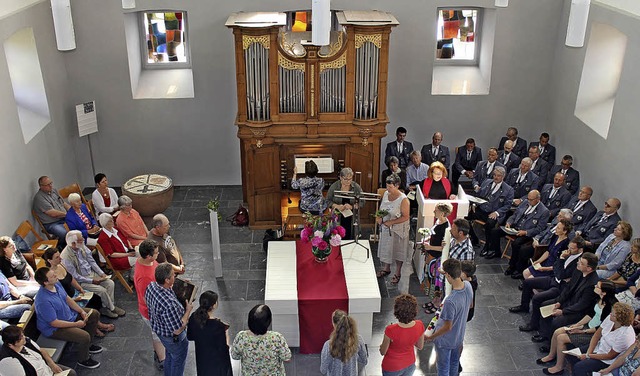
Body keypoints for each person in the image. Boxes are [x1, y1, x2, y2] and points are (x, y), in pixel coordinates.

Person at [537, 280, 618, 373]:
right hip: (587, 325)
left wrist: (582, 331)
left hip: (594, 333)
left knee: (561, 338)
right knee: (558, 331)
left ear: (604, 292)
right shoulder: (597, 298)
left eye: (598, 286)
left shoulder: (611, 307)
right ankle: (551, 355)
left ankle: (559, 367)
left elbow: (600, 328)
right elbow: (590, 314)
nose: (595, 286)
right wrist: (578, 324)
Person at [33, 267, 102, 369]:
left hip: (67, 316)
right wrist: (76, 324)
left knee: (93, 314)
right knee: (84, 336)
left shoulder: (56, 284)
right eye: (53, 276)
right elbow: (54, 323)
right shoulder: (43, 301)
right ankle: (83, 359)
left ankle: (88, 346)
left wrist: (81, 311)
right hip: (54, 329)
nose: (56, 276)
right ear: (45, 282)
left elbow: (67, 299)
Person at [525, 253, 600, 344]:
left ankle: (549, 343)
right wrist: (559, 301)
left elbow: (581, 305)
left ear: (589, 268)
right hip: (568, 302)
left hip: (578, 311)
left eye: (581, 263)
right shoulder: (578, 271)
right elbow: (568, 288)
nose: (578, 263)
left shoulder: (592, 284)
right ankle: (543, 333)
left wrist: (563, 311)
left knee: (557, 321)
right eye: (579, 260)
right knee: (544, 305)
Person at [42, 248, 114, 337]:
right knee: (86, 306)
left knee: (96, 299)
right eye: (57, 257)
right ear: (49, 260)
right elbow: (61, 296)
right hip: (68, 298)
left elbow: (71, 278)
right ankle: (95, 328)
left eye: (59, 256)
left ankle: (96, 323)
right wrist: (74, 299)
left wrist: (80, 288)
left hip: (74, 292)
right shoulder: (51, 277)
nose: (60, 258)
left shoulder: (61, 265)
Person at [510, 236, 584, 315]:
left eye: (572, 248)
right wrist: (560, 264)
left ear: (580, 249)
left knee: (536, 298)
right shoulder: (568, 253)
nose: (569, 250)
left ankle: (534, 324)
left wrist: (561, 259)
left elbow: (561, 275)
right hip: (553, 278)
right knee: (527, 282)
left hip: (561, 286)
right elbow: (556, 266)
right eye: (569, 247)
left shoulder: (580, 261)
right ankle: (524, 306)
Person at [60, 230, 125, 319]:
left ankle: (106, 307)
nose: (83, 240)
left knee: (110, 283)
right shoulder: (66, 257)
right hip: (82, 281)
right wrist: (92, 280)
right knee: (102, 290)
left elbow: (91, 261)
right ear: (73, 244)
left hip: (91, 273)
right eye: (80, 239)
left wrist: (101, 273)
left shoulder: (82, 246)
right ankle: (112, 308)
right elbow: (75, 277)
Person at [425, 259, 473, 376]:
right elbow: (470, 305)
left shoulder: (450, 301)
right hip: (459, 336)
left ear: (448, 275)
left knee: (442, 368)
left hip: (444, 341)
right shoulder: (468, 285)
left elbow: (447, 327)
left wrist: (432, 337)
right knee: (454, 363)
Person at [145, 262, 193, 376]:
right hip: (173, 338)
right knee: (178, 361)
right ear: (167, 280)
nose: (175, 277)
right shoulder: (170, 304)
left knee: (170, 356)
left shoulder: (151, 286)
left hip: (160, 330)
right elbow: (178, 329)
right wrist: (188, 311)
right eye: (173, 275)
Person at [569, 303, 636, 376]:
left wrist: (588, 356)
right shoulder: (610, 318)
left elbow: (610, 356)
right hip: (599, 347)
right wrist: (589, 352)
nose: (610, 314)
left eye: (613, 314)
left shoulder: (625, 336)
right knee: (572, 355)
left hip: (607, 360)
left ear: (619, 319)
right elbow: (597, 335)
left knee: (579, 367)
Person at [487, 190, 549, 263]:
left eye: (531, 200)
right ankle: (496, 251)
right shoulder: (525, 202)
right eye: (528, 199)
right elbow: (515, 215)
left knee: (516, 243)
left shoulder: (544, 211)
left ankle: (512, 264)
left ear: (538, 199)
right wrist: (509, 222)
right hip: (515, 228)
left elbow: (539, 229)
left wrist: (526, 232)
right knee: (495, 231)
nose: (529, 201)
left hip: (526, 233)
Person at [231, 304, 291, 376]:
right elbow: (287, 358)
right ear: (268, 322)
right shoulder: (277, 338)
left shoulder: (241, 337)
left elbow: (235, 356)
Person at [133, 240, 165, 370]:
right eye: (156, 253)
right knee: (157, 334)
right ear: (148, 256)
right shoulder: (144, 276)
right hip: (150, 311)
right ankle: (162, 359)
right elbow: (147, 298)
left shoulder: (146, 261)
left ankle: (159, 353)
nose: (158, 254)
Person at [467, 167, 514, 254]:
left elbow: (507, 205)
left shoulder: (509, 190)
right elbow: (478, 195)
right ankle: (474, 238)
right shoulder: (486, 182)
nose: (496, 177)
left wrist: (497, 212)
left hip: (493, 212)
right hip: (481, 208)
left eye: (498, 176)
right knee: (465, 217)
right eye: (495, 175)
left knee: (489, 225)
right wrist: (474, 204)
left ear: (503, 176)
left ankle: (487, 246)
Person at [0, 324, 77, 376]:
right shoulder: (8, 361)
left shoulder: (26, 341)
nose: (24, 338)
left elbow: (41, 350)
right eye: (21, 338)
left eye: (23, 335)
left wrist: (52, 364)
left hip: (47, 368)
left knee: (72, 373)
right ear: (11, 344)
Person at [187, 290, 232, 376]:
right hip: (216, 363)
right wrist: (226, 334)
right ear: (214, 305)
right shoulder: (218, 326)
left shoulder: (194, 317)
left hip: (202, 358)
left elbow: (190, 336)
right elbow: (224, 348)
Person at [376, 174, 410, 285]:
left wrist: (392, 222)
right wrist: (378, 216)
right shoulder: (386, 194)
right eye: (387, 186)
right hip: (386, 227)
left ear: (397, 186)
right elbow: (381, 209)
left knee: (398, 250)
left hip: (399, 229)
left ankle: (398, 272)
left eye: (391, 187)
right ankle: (386, 268)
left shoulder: (403, 199)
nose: (388, 189)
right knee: (387, 247)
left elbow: (405, 216)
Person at [380, 294, 425, 376]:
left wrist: (381, 347)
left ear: (396, 311)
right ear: (415, 310)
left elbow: (383, 352)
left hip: (392, 366)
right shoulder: (420, 325)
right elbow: (420, 346)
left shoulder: (390, 329)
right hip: (410, 363)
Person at [320, 309, 368, 376]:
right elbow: (364, 360)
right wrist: (352, 355)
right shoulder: (358, 339)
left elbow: (323, 370)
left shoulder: (328, 345)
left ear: (334, 324)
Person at [326, 167, 363, 240]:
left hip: (351, 218)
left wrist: (352, 206)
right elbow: (327, 201)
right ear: (340, 177)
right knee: (338, 238)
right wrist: (336, 206)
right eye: (345, 179)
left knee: (351, 238)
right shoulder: (334, 186)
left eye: (350, 179)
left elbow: (362, 201)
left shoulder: (356, 187)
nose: (348, 181)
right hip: (338, 217)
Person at [32, 176, 70, 242]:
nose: (50, 186)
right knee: (64, 233)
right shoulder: (39, 198)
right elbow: (53, 214)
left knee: (78, 224)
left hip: (63, 218)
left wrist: (72, 211)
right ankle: (61, 247)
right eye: (48, 185)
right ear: (41, 186)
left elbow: (63, 203)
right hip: (52, 223)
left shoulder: (54, 191)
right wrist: (67, 214)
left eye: (51, 183)